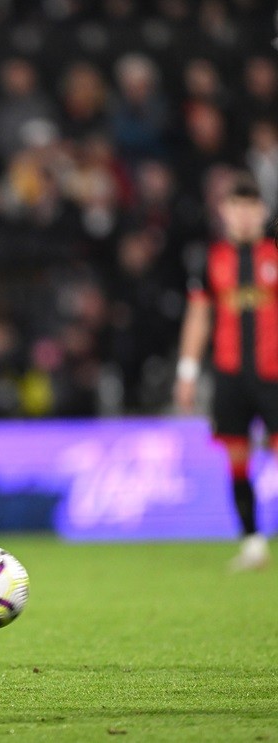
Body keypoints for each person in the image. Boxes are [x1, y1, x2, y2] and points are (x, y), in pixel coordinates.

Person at [175, 174, 274, 571]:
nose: (245, 216)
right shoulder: (210, 259)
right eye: (237, 208)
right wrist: (187, 371)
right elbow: (199, 316)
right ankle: (253, 543)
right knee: (237, 458)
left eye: (251, 208)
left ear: (263, 212)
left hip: (274, 373)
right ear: (225, 212)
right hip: (230, 374)